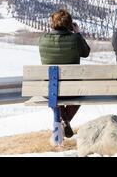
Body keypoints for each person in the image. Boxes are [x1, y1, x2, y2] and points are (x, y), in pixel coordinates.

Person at [38, 9, 91, 138]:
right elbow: (86, 52)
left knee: (55, 94)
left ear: (52, 23)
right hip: (72, 90)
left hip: (49, 90)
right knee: (81, 94)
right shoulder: (75, 39)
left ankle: (63, 121)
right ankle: (65, 121)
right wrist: (78, 33)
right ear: (70, 24)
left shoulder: (43, 39)